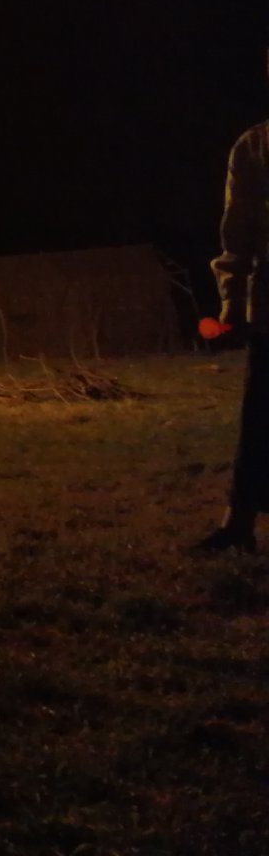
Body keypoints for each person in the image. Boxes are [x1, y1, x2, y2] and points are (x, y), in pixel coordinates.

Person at [194, 49, 269, 554]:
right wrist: (230, 308)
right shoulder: (255, 147)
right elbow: (237, 233)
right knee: (261, 414)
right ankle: (239, 525)